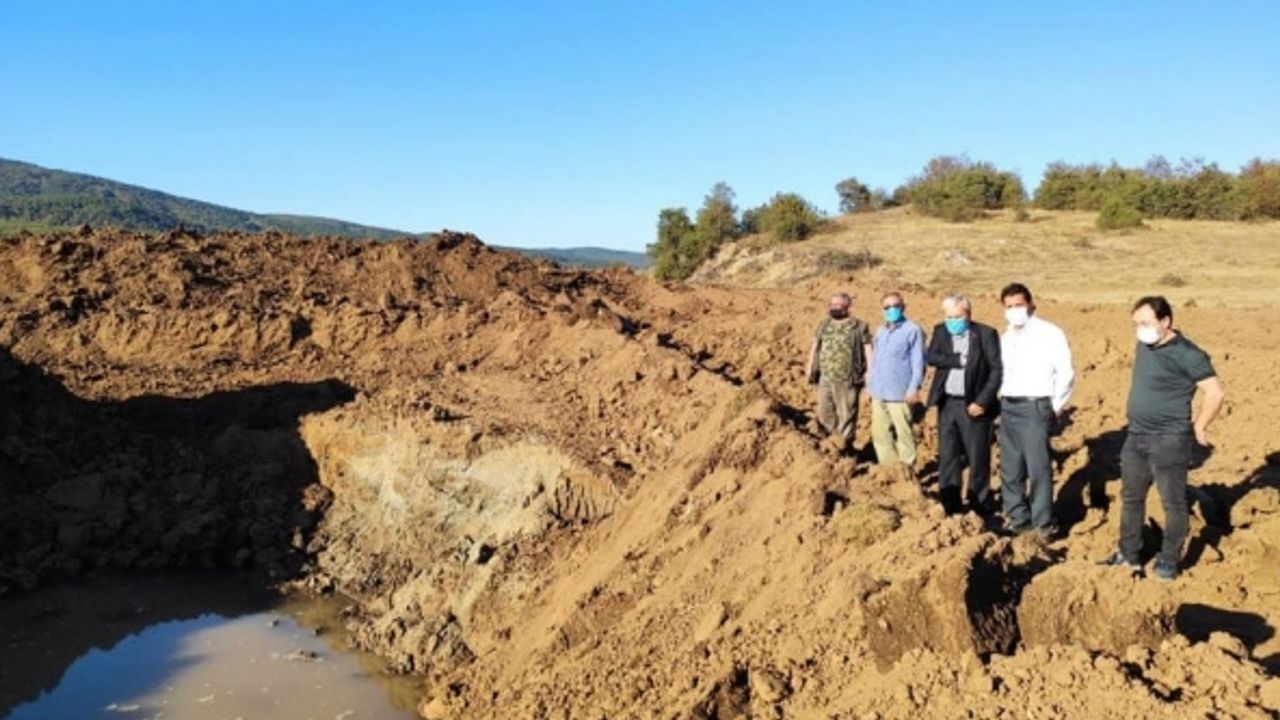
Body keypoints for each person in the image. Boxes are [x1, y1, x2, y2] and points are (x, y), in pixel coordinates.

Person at [1105, 296, 1225, 580]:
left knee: (1173, 502)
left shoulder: (1189, 354)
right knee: (1131, 497)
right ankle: (1129, 552)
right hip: (1135, 436)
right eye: (1136, 324)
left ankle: (1168, 560)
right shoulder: (1144, 345)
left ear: (1165, 321)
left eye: (1145, 323)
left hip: (1169, 439)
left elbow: (1215, 392)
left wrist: (1200, 426)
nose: (1140, 330)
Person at [998, 282, 1074, 539]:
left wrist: (1053, 406)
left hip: (1035, 406)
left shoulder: (1049, 333)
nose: (1014, 310)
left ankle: (1044, 523)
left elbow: (1065, 372)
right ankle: (1017, 518)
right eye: (1009, 306)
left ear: (1030, 304)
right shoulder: (1006, 337)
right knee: (1010, 468)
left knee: (1038, 468)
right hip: (1009, 406)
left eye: (1019, 305)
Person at [926, 294, 1003, 514]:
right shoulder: (941, 331)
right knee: (948, 454)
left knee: (977, 455)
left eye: (958, 317)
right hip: (948, 402)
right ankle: (950, 503)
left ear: (968, 315)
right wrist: (957, 360)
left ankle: (979, 502)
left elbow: (996, 371)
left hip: (974, 404)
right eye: (949, 317)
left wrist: (983, 401)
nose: (953, 321)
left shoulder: (985, 334)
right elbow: (932, 356)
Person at [805, 292, 873, 454]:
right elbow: (815, 346)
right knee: (824, 410)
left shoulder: (859, 326)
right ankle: (829, 442)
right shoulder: (824, 325)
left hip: (847, 378)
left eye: (839, 305)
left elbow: (868, 349)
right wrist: (809, 366)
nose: (835, 308)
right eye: (832, 305)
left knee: (846, 413)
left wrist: (870, 371)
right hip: (825, 377)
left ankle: (844, 447)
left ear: (847, 307)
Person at [868, 291, 926, 478]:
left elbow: (918, 363)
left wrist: (913, 388)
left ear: (903, 307)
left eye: (895, 306)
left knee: (904, 433)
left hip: (900, 393)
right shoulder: (880, 331)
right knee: (880, 433)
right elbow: (876, 360)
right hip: (879, 391)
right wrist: (870, 386)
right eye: (887, 307)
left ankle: (907, 471)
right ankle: (891, 469)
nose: (892, 310)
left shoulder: (912, 330)